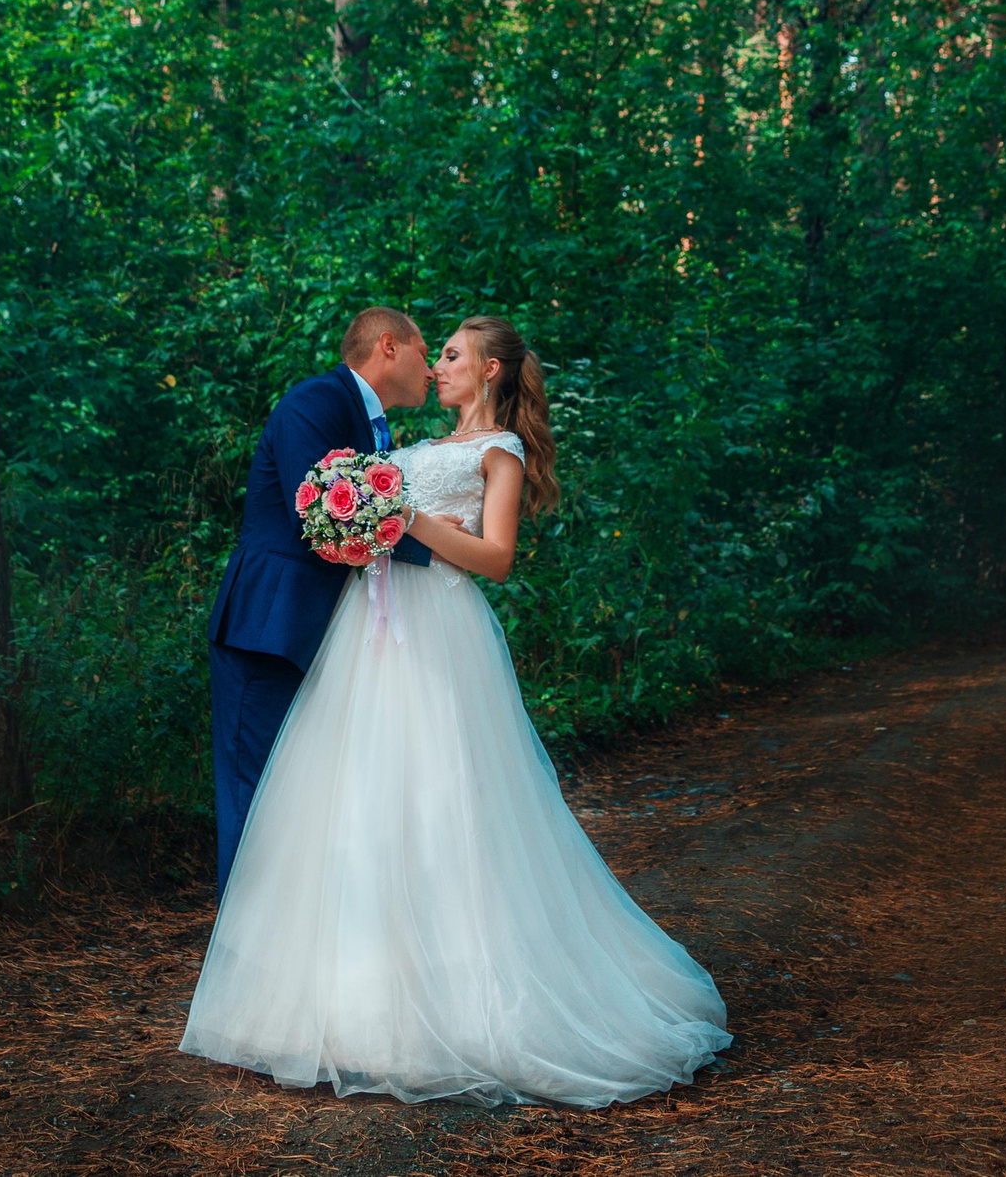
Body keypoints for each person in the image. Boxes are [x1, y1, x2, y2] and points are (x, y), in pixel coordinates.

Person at [182, 316, 730, 1107]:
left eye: (451, 354)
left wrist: (403, 518)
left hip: (436, 630)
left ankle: (456, 1001)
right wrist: (382, 514)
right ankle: (348, 995)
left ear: (492, 369)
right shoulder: (406, 442)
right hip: (367, 635)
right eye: (432, 351)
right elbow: (341, 517)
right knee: (358, 807)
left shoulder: (498, 451)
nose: (436, 364)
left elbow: (497, 558)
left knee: (441, 802)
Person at [206, 306, 435, 893]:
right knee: (255, 795)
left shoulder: (372, 424)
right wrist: (440, 547)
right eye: (424, 351)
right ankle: (244, 944)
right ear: (389, 346)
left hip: (327, 637)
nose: (432, 369)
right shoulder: (317, 402)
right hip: (269, 630)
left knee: (302, 801)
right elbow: (321, 517)